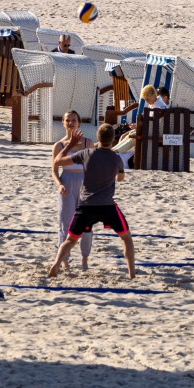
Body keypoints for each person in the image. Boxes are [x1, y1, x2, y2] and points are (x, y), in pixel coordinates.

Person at [49, 123, 136, 278]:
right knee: (126, 238)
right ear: (113, 140)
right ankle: (131, 274)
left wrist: (69, 145)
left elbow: (57, 161)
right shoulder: (116, 159)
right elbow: (121, 178)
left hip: (86, 205)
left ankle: (56, 265)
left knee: (70, 240)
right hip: (107, 206)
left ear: (98, 138)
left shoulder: (86, 154)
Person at [51, 111, 92, 270]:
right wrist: (59, 184)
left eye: (73, 120)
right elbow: (54, 170)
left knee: (86, 225)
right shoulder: (59, 145)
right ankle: (65, 260)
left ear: (79, 123)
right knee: (65, 224)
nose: (70, 123)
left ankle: (84, 258)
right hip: (67, 182)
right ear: (63, 123)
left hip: (85, 184)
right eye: (67, 120)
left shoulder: (88, 143)